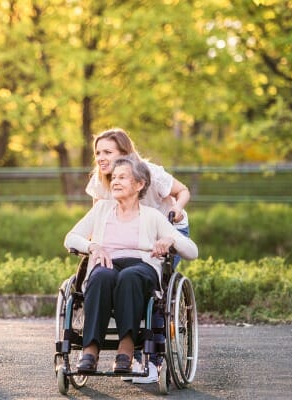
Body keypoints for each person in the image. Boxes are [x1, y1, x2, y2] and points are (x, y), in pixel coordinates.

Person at [64, 156, 198, 379]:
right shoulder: (102, 210)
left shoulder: (153, 216)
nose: (115, 181)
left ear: (139, 184)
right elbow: (70, 237)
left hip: (141, 266)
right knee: (100, 278)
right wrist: (92, 246)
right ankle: (90, 350)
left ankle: (126, 349)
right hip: (107, 263)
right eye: (114, 177)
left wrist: (171, 241)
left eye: (123, 177)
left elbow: (192, 251)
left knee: (129, 276)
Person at [86, 128, 191, 241]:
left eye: (107, 152)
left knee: (155, 258)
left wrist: (177, 207)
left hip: (169, 229)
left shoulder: (152, 173)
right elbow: (97, 215)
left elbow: (183, 191)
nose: (100, 158)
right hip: (134, 231)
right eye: (97, 153)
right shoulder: (99, 179)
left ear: (124, 154)